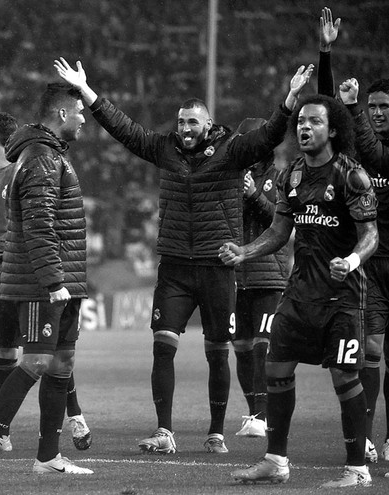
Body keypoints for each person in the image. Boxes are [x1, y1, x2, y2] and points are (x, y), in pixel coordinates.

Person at [54, 57, 312, 454]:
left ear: (207, 125)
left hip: (215, 267)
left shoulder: (232, 151)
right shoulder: (164, 149)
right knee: (163, 345)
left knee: (216, 353)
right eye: (180, 122)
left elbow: (269, 136)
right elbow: (123, 128)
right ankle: (164, 432)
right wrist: (87, 92)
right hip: (174, 265)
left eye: (192, 122)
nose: (185, 129)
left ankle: (215, 433)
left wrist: (291, 98)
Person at [224, 93, 377, 488]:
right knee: (275, 369)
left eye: (314, 122)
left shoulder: (351, 175)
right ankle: (275, 460)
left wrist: (353, 261)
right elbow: (279, 231)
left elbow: (370, 234)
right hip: (298, 293)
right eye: (301, 122)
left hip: (342, 296)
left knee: (345, 379)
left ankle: (357, 468)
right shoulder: (292, 174)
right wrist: (245, 251)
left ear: (333, 130)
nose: (304, 127)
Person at [0, 83, 93, 478]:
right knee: (37, 360)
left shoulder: (47, 154)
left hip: (63, 279)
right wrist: (53, 279)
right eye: (78, 112)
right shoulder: (41, 158)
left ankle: (48, 457)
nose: (83, 118)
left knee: (61, 364)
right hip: (45, 282)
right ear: (60, 115)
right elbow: (39, 224)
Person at [320, 6, 389, 468]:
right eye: (374, 109)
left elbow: (371, 150)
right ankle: (364, 438)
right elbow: (326, 113)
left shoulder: (375, 149)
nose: (379, 114)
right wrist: (326, 53)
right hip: (369, 264)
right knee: (369, 350)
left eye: (385, 108)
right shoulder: (356, 139)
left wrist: (355, 108)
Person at [231, 118, 289, 438]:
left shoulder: (280, 178)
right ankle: (253, 411)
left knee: (261, 347)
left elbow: (280, 222)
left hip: (269, 274)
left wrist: (253, 194)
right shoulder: (231, 177)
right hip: (237, 274)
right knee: (240, 347)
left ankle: (261, 416)